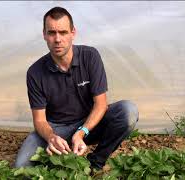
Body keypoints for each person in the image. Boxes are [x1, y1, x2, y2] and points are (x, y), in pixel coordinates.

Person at [15, 6, 139, 170]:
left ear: (73, 33)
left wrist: (81, 132)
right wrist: (51, 137)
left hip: (89, 124)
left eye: (63, 32)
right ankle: (62, 157)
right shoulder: (35, 72)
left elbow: (101, 104)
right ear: (44, 35)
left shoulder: (90, 56)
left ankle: (95, 163)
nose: (57, 39)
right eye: (52, 33)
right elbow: (39, 120)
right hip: (57, 128)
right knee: (21, 166)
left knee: (128, 111)